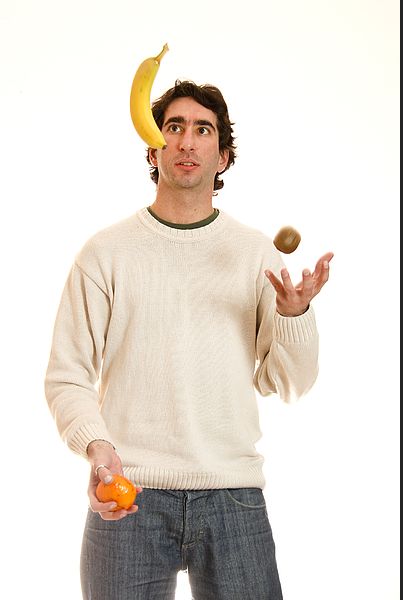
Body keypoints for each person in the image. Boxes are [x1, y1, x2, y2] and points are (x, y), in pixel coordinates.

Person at [45, 79, 333, 600]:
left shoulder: (255, 254)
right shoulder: (105, 253)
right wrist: (98, 447)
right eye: (174, 127)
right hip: (129, 494)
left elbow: (287, 384)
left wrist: (296, 314)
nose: (187, 141)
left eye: (204, 130)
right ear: (154, 148)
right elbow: (68, 376)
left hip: (232, 498)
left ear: (222, 157)